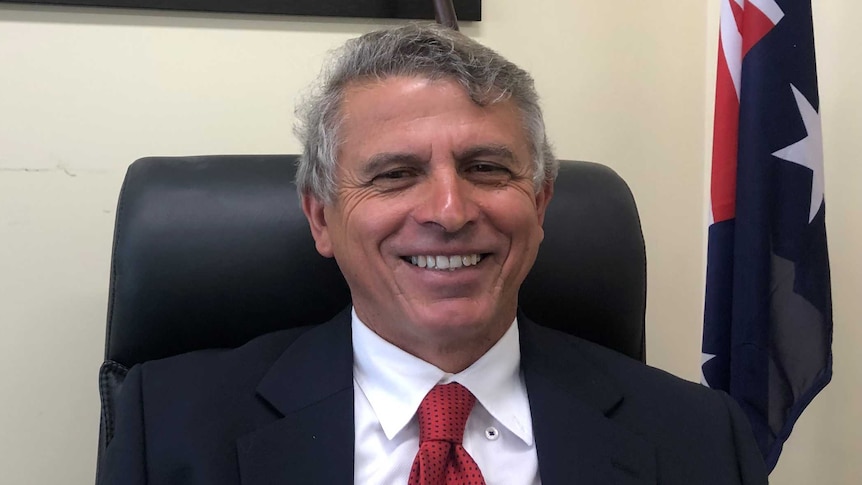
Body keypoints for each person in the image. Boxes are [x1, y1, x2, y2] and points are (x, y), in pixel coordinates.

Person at [99, 24, 768, 484]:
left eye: (486, 168)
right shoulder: (171, 429)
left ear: (538, 204)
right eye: (393, 174)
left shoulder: (703, 438)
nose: (450, 212)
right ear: (321, 217)